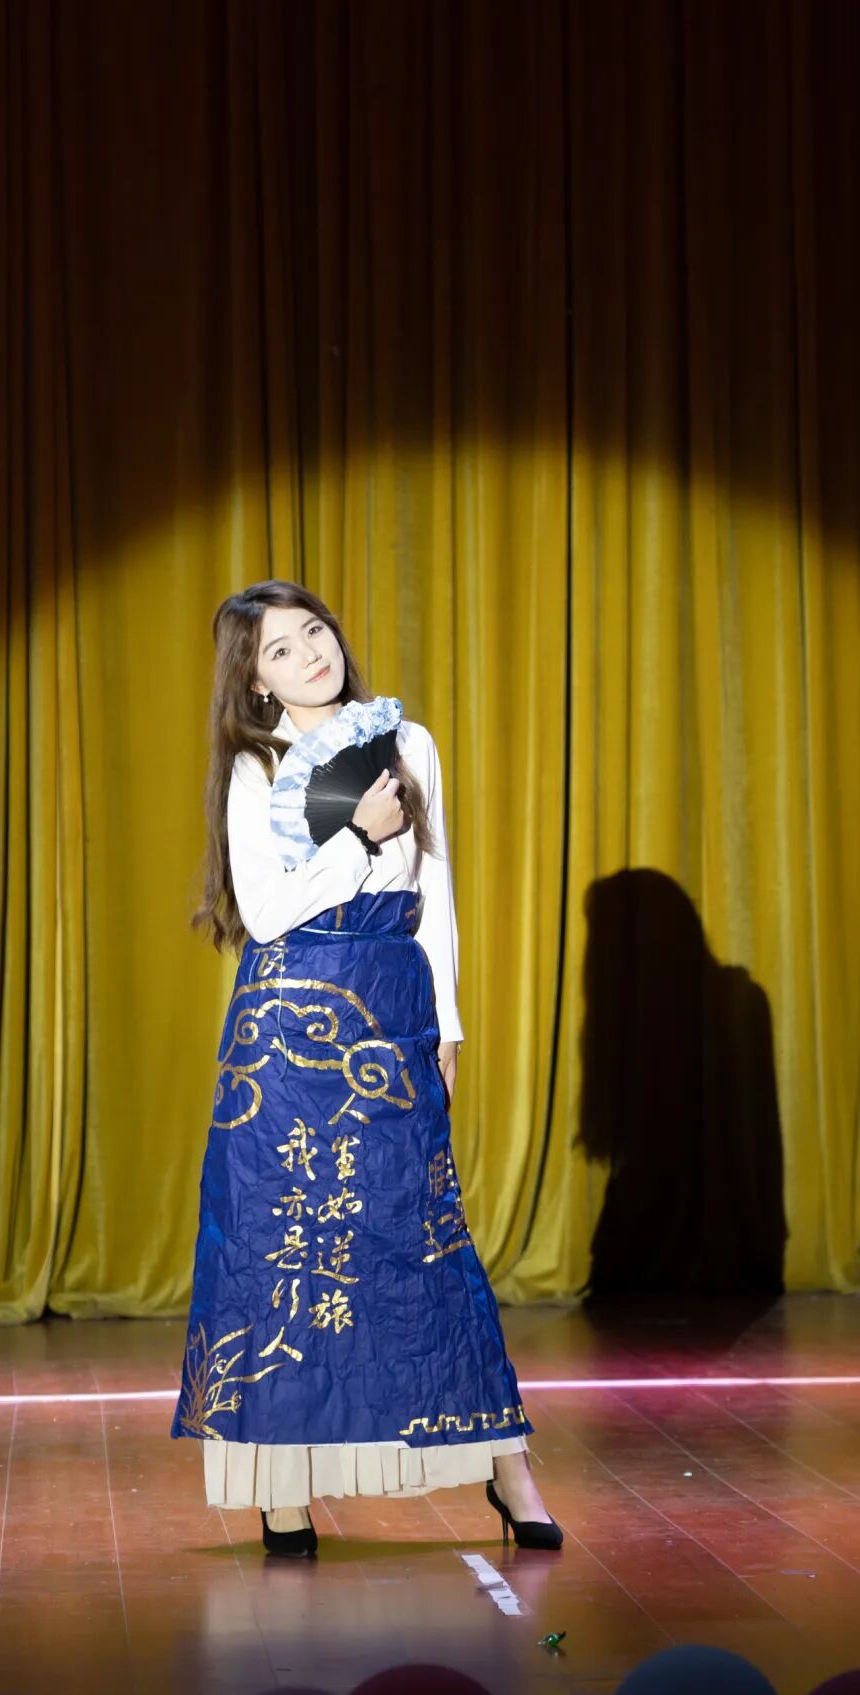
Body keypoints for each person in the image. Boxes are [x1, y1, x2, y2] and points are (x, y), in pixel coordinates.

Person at [171, 580, 562, 1558]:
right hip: (287, 1024)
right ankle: (281, 1490)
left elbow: (437, 887)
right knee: (280, 1249)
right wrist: (357, 837)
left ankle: (507, 1467)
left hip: (391, 1001)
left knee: (422, 1239)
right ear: (256, 684)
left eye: (314, 632)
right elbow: (267, 913)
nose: (310, 653)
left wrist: (447, 1023)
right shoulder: (256, 767)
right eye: (279, 650)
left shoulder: (406, 741)